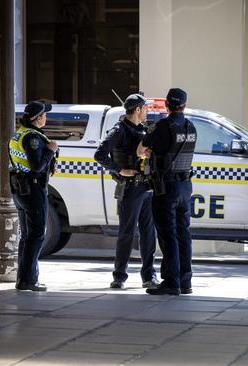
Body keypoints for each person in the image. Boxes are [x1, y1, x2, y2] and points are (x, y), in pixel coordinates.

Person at [94, 93, 158, 290]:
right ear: (137, 110)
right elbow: (100, 155)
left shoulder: (145, 130)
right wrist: (119, 170)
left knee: (149, 233)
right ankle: (119, 276)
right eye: (145, 108)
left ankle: (149, 275)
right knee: (127, 232)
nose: (147, 112)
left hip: (147, 187)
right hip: (130, 188)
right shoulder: (119, 131)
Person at [138, 88, 197, 296]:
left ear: (167, 105)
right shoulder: (191, 127)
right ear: (184, 104)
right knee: (183, 234)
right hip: (185, 187)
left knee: (168, 234)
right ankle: (185, 281)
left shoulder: (162, 126)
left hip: (166, 187)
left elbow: (140, 150)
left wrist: (151, 150)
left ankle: (171, 282)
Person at [9, 101, 59, 291]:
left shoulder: (19, 133)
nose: (46, 116)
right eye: (44, 114)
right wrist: (50, 151)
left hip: (21, 189)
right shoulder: (33, 138)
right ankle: (28, 280)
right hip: (33, 190)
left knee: (27, 236)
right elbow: (37, 165)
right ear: (38, 118)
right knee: (36, 235)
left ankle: (24, 278)